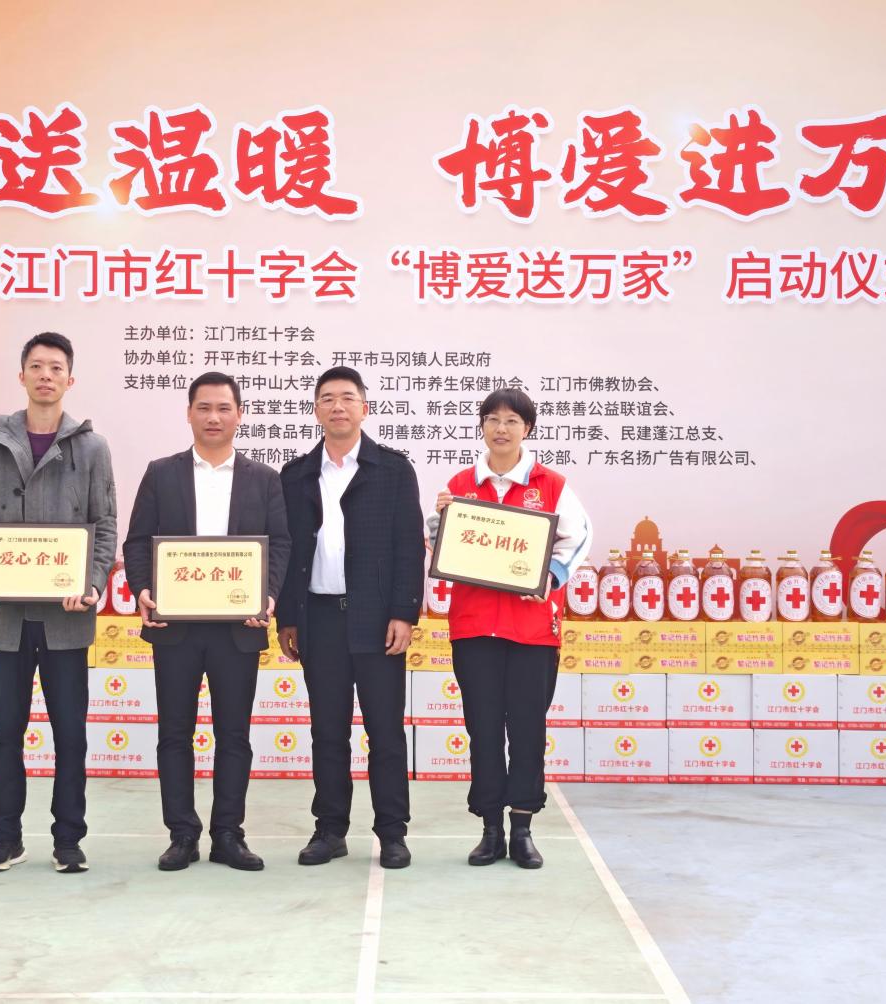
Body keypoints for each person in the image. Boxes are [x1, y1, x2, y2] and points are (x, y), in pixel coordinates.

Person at [122, 372, 291, 872]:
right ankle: (181, 834)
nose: (213, 417)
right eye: (204, 408)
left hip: (238, 628)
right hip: (175, 628)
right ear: (189, 413)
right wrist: (143, 588)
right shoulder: (161, 473)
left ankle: (228, 834)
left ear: (240, 415)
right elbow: (138, 541)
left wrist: (267, 594)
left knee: (233, 735)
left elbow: (280, 543)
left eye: (223, 408)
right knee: (174, 733)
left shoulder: (264, 479)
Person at [0, 332, 117, 874]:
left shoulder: (92, 448)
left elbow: (104, 525)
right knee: (7, 732)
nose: (46, 375)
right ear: (22, 376)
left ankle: (68, 839)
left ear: (69, 379)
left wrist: (92, 583)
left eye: (55, 367)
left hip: (66, 619)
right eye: (36, 366)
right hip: (6, 617)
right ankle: (5, 837)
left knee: (70, 734)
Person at [430, 387, 592, 869]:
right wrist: (440, 522)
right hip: (475, 628)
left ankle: (522, 827)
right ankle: (489, 829)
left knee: (527, 729)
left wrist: (550, 577)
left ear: (528, 429)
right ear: (481, 426)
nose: (501, 429)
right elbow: (436, 545)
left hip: (532, 631)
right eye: (492, 419)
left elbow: (578, 538)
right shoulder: (460, 485)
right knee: (482, 729)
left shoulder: (552, 484)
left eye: (512, 421)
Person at [277, 366, 425, 870]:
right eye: (327, 398)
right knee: (327, 731)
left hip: (377, 619)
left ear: (364, 407)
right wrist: (287, 618)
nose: (337, 406)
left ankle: (392, 832)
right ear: (316, 410)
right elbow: (287, 551)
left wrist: (404, 612)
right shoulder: (296, 475)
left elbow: (409, 546)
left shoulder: (393, 469)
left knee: (385, 731)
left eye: (346, 397)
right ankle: (330, 829)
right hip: (318, 619)